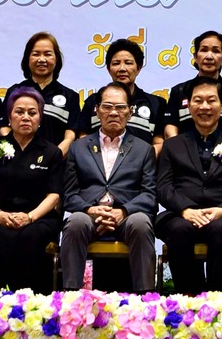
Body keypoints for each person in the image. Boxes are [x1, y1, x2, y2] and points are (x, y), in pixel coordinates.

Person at [155, 78, 222, 292]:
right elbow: (163, 188)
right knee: (180, 229)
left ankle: (219, 301)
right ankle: (188, 298)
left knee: (220, 229)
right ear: (189, 106)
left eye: (211, 100)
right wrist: (185, 210)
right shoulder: (173, 145)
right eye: (198, 101)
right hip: (181, 216)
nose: (205, 107)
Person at [59, 83, 159, 292]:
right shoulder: (78, 148)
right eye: (107, 106)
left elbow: (149, 195)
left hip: (127, 216)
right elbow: (69, 195)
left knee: (141, 223)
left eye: (120, 107)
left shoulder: (144, 149)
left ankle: (145, 297)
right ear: (97, 110)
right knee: (75, 222)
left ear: (130, 112)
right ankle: (70, 295)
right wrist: (90, 210)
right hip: (89, 215)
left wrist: (122, 212)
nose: (114, 112)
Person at [0, 85, 65, 292]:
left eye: (32, 113)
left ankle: (30, 300)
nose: (25, 117)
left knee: (30, 237)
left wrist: (30, 217)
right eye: (19, 112)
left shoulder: (51, 152)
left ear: (40, 118)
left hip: (37, 217)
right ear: (9, 116)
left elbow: (54, 195)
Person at [76, 38, 164, 145]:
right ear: (108, 69)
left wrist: (143, 156)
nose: (122, 68)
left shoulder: (156, 103)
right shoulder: (93, 101)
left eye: (128, 63)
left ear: (139, 68)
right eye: (116, 63)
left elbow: (158, 143)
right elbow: (83, 138)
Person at [164, 30, 222, 138]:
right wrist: (178, 147)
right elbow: (170, 127)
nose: (209, 56)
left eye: (216, 51)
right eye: (204, 50)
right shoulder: (179, 91)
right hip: (184, 148)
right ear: (195, 56)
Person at [15, 32, 81, 150]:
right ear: (27, 58)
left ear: (56, 59)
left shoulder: (71, 97)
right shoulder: (15, 92)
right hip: (18, 160)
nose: (41, 59)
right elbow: (5, 128)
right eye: (36, 54)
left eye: (47, 54)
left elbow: (70, 136)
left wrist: (54, 157)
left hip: (57, 160)